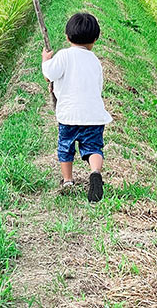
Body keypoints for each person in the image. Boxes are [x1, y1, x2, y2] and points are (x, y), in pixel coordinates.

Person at [41, 13, 112, 203]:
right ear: (95, 39)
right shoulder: (95, 61)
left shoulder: (64, 55)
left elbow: (49, 74)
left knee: (66, 147)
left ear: (67, 36)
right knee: (93, 148)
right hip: (94, 115)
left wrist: (45, 60)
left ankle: (68, 181)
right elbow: (98, 88)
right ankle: (95, 172)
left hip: (69, 115)